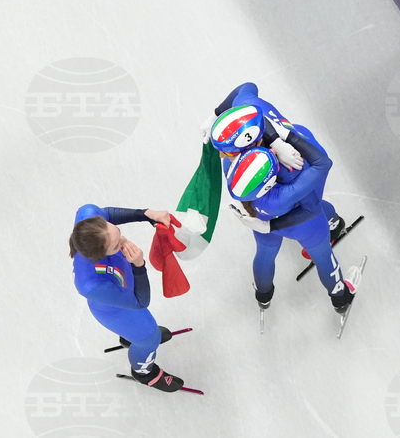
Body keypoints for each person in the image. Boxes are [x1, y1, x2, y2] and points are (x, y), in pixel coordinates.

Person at [209, 88, 358, 314]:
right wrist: (284, 137)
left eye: (225, 151)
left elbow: (246, 90)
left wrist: (216, 114)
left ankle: (263, 295)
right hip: (302, 219)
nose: (221, 155)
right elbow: (312, 205)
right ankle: (340, 297)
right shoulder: (293, 169)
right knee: (322, 253)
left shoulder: (232, 168)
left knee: (264, 254)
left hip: (260, 216)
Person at [205, 82, 346, 247]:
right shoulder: (247, 111)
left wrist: (270, 226)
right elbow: (247, 87)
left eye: (228, 152)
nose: (221, 155)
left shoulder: (290, 169)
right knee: (296, 197)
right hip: (298, 134)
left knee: (307, 199)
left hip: (307, 160)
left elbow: (312, 207)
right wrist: (216, 114)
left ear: (251, 145)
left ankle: (333, 222)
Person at [70, 204, 184, 392]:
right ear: (100, 255)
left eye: (118, 232)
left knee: (147, 333)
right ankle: (144, 373)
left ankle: (130, 338)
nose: (123, 240)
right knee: (150, 338)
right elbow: (140, 302)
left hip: (122, 289)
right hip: (115, 311)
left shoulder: (88, 216)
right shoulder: (91, 284)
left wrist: (146, 214)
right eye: (116, 245)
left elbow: (107, 214)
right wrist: (139, 266)